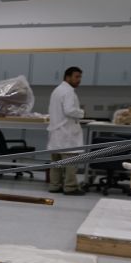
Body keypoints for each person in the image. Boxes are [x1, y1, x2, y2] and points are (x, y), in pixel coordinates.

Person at [47, 66, 86, 195]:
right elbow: (69, 110)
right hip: (66, 132)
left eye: (80, 77)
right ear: (67, 77)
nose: (79, 80)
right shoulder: (68, 91)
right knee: (70, 162)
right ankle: (70, 187)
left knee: (56, 162)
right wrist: (81, 113)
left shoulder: (57, 90)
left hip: (57, 132)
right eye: (76, 77)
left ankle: (55, 186)